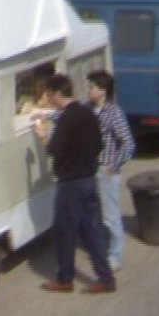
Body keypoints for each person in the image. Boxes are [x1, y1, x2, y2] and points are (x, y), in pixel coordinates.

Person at [33, 73, 116, 294]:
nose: (49, 100)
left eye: (50, 95)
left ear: (59, 94)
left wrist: (42, 136)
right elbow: (99, 144)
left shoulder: (67, 118)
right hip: (90, 180)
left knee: (65, 232)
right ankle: (106, 278)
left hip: (70, 184)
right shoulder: (87, 112)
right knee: (92, 232)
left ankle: (65, 279)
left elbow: (56, 151)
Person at [86, 70, 135, 272]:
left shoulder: (114, 113)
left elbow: (128, 144)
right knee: (95, 214)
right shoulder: (88, 110)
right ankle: (101, 247)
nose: (88, 91)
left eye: (92, 88)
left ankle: (115, 255)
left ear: (103, 91)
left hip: (106, 172)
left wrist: (113, 167)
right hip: (90, 170)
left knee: (110, 216)